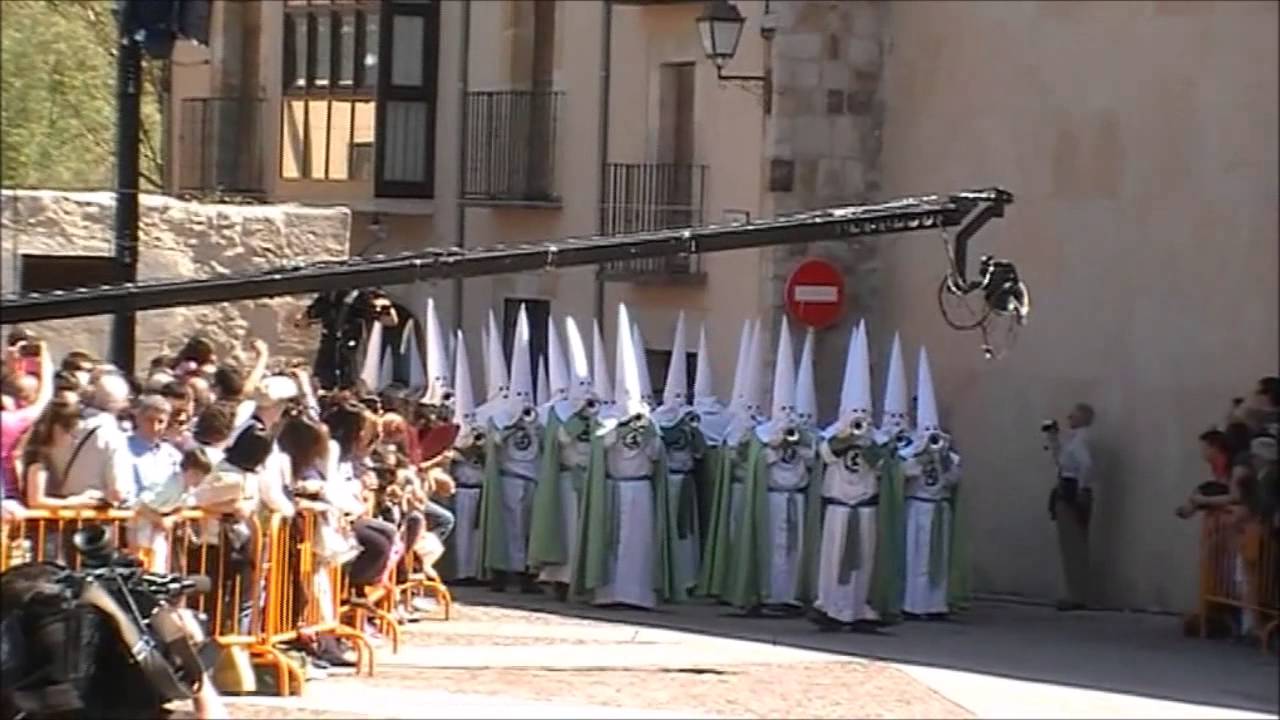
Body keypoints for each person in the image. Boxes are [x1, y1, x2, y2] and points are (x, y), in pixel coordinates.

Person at [724, 316, 819, 615]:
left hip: (797, 499)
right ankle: (768, 593)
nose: (789, 415)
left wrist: (799, 446)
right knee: (772, 547)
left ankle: (791, 595)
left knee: (794, 549)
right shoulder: (763, 436)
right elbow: (756, 465)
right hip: (772, 500)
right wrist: (776, 449)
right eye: (784, 409)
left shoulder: (806, 437)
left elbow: (815, 461)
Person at [811, 321, 888, 631]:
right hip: (839, 507)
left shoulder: (875, 437)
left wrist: (865, 441)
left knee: (863, 562)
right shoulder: (833, 434)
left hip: (865, 506)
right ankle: (830, 605)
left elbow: (880, 466)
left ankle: (858, 607)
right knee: (833, 559)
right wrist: (846, 437)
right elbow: (826, 455)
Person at [528, 316, 603, 601]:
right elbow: (559, 441)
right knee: (566, 531)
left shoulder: (597, 413)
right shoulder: (557, 414)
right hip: (564, 481)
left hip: (589, 479)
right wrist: (578, 419)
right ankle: (559, 578)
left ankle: (583, 578)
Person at [477, 306, 543, 593]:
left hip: (532, 480)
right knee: (508, 529)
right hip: (508, 478)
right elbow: (492, 444)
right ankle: (503, 572)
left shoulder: (538, 417)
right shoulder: (498, 418)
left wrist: (532, 426)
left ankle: (528, 573)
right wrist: (511, 427)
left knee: (528, 528)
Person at [899, 347, 964, 619]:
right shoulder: (908, 445)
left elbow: (954, 478)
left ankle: (936, 604)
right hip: (917, 506)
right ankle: (914, 604)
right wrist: (922, 457)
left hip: (939, 507)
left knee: (938, 557)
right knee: (917, 557)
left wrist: (943, 460)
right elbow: (903, 473)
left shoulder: (945, 447)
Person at [650, 313, 706, 598]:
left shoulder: (689, 419)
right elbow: (660, 445)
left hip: (686, 482)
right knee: (668, 532)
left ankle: (688, 578)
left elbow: (699, 452)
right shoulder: (657, 420)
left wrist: (693, 432)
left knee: (687, 535)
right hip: (667, 481)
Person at [1046, 401, 1096, 612]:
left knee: (1073, 544)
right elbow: (1062, 462)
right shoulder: (1074, 439)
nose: (1069, 418)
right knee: (1072, 545)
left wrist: (1081, 489)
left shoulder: (1082, 439)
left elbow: (1085, 465)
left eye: (1073, 416)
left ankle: (1078, 595)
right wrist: (1053, 440)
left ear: (1083, 418)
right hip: (1071, 488)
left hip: (1071, 490)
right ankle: (1076, 592)